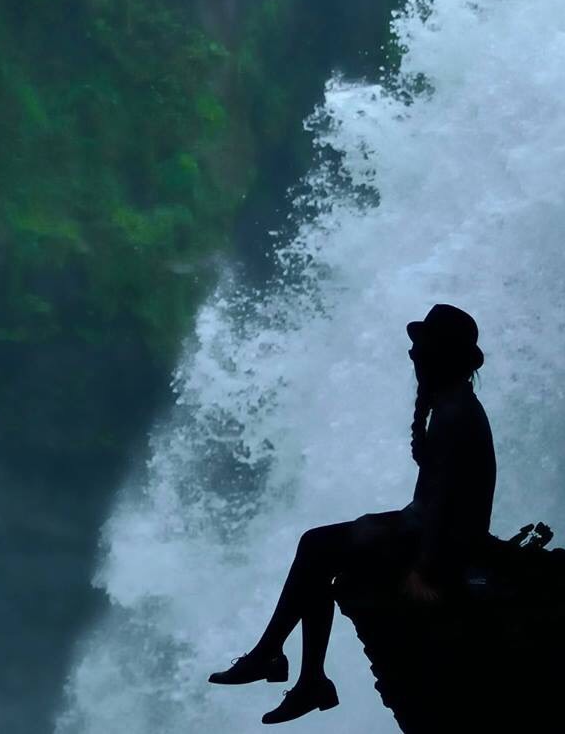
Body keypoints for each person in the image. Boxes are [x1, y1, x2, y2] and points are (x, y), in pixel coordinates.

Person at [206, 303, 496, 724]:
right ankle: (300, 674)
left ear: (442, 355)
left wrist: (423, 570)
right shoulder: (456, 405)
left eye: (422, 347)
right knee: (320, 552)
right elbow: (437, 503)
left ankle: (282, 663)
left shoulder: (455, 413)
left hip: (443, 545)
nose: (413, 355)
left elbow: (441, 508)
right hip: (432, 532)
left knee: (317, 547)